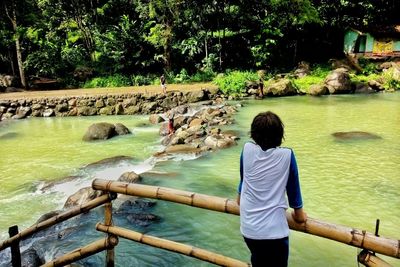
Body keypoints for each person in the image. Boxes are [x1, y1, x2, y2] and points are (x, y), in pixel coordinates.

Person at [237, 111, 307, 267]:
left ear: (253, 134)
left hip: (249, 229)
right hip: (274, 233)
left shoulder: (246, 149)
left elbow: (243, 182)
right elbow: (294, 195)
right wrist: (300, 216)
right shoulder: (287, 156)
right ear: (280, 135)